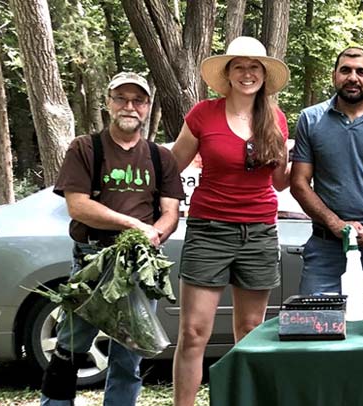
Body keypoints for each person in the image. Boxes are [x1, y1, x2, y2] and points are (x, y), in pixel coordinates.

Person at [42, 72, 185, 406]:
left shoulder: (160, 157)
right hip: (92, 262)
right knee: (69, 350)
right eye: (121, 98)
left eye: (138, 100)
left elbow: (170, 212)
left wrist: (155, 233)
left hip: (138, 266)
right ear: (108, 103)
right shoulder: (85, 148)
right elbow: (78, 207)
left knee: (129, 357)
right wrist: (135, 225)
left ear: (148, 107)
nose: (129, 106)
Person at [170, 36, 291, 406]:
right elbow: (170, 168)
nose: (247, 73)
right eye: (239, 66)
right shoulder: (203, 114)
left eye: (254, 67)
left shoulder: (276, 119)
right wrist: (161, 211)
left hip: (259, 232)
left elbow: (279, 182)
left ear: (264, 75)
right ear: (227, 73)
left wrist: (291, 158)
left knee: (250, 331)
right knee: (193, 332)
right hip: (210, 230)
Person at [290, 47, 363, 294]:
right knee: (317, 325)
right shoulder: (310, 119)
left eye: (361, 72)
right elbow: (299, 183)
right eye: (345, 70)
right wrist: (335, 224)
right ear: (334, 76)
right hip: (326, 246)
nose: (352, 77)